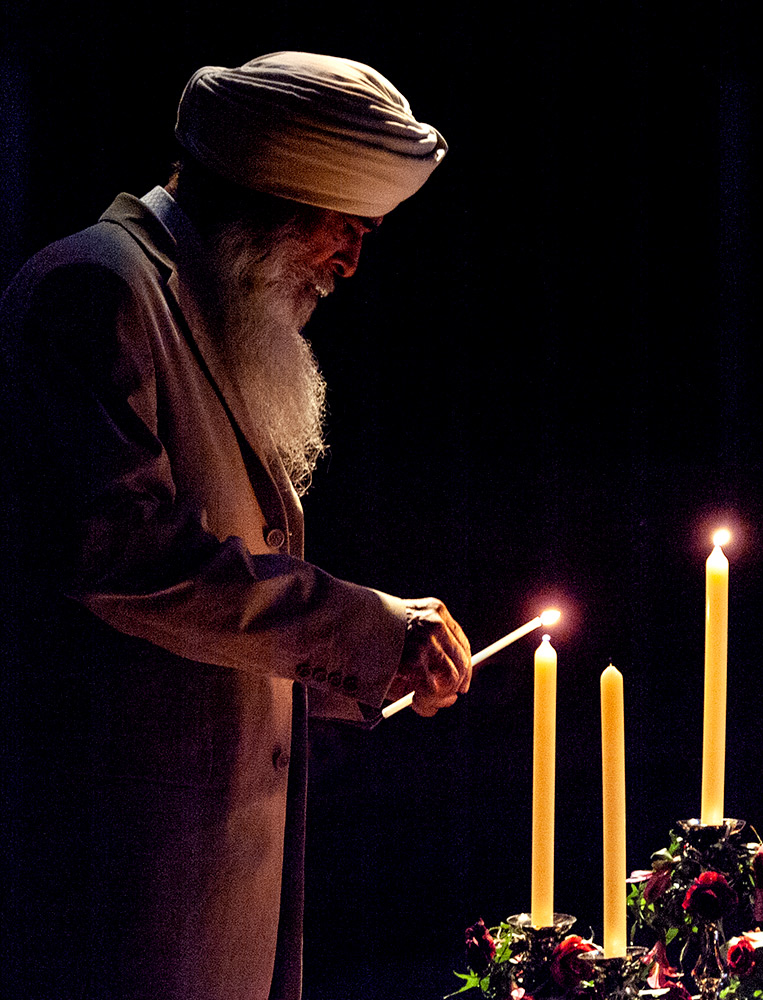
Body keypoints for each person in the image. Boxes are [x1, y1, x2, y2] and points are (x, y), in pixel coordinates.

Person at [0, 51, 471, 1000]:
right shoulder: (96, 290)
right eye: (346, 227)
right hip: (123, 887)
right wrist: (368, 628)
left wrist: (373, 665)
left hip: (215, 889)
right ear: (269, 196)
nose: (351, 262)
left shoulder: (207, 299)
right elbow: (125, 558)